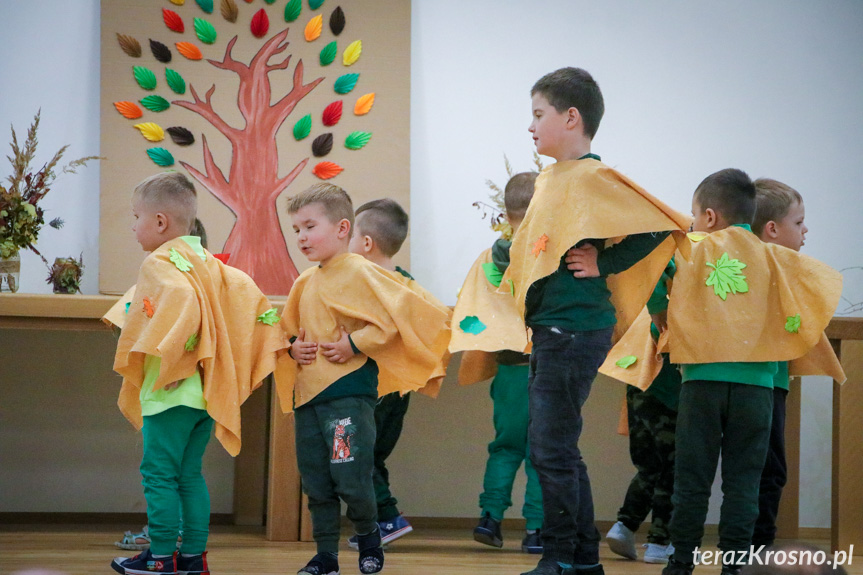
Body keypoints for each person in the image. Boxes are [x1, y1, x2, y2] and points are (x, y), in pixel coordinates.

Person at [502, 67, 691, 575]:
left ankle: (561, 557)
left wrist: (602, 263)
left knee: (550, 448)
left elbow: (663, 222)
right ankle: (582, 560)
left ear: (571, 117)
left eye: (538, 115)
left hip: (573, 329)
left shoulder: (592, 176)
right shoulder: (552, 178)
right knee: (556, 446)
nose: (531, 126)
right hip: (552, 329)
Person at [658, 169, 843, 575]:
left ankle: (680, 563)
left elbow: (656, 286)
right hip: (758, 388)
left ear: (709, 217)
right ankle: (735, 566)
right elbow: (817, 293)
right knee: (744, 484)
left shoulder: (691, 249)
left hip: (701, 382)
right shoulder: (775, 257)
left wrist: (666, 322)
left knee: (691, 479)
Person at [106, 172, 287, 575]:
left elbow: (182, 301)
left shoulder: (158, 261)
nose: (133, 226)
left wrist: (174, 360)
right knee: (188, 475)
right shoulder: (206, 260)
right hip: (206, 391)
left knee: (158, 475)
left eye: (136, 216)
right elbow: (250, 298)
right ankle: (192, 558)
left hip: (170, 391)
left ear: (159, 222)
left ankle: (160, 558)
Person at [274, 183, 451, 575]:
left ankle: (370, 538)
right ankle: (326, 555)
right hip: (309, 401)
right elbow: (287, 330)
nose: (301, 237)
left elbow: (393, 320)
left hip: (346, 399)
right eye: (297, 229)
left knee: (350, 476)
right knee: (316, 482)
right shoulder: (304, 282)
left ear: (342, 229)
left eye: (309, 226)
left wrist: (354, 343)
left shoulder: (361, 271)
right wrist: (291, 348)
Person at [346, 197, 452, 548]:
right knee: (371, 457)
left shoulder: (367, 284)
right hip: (398, 390)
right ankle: (374, 525)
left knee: (354, 455)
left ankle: (386, 518)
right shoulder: (409, 286)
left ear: (365, 244)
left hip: (372, 389)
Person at [449, 172, 544, 553]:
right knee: (543, 452)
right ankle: (537, 530)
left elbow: (474, 304)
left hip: (508, 369)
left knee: (505, 447)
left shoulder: (491, 256)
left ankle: (490, 518)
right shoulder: (545, 251)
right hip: (546, 368)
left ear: (506, 211)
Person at [604, 257, 681, 565]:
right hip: (669, 384)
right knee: (671, 469)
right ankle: (659, 543)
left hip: (639, 374)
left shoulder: (662, 257)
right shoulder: (690, 259)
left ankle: (624, 526)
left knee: (649, 466)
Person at [749, 179, 806, 549]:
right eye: (799, 222)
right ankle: (757, 553)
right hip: (764, 383)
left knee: (760, 472)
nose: (805, 230)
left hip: (771, 381)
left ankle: (751, 552)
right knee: (767, 472)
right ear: (772, 229)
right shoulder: (771, 270)